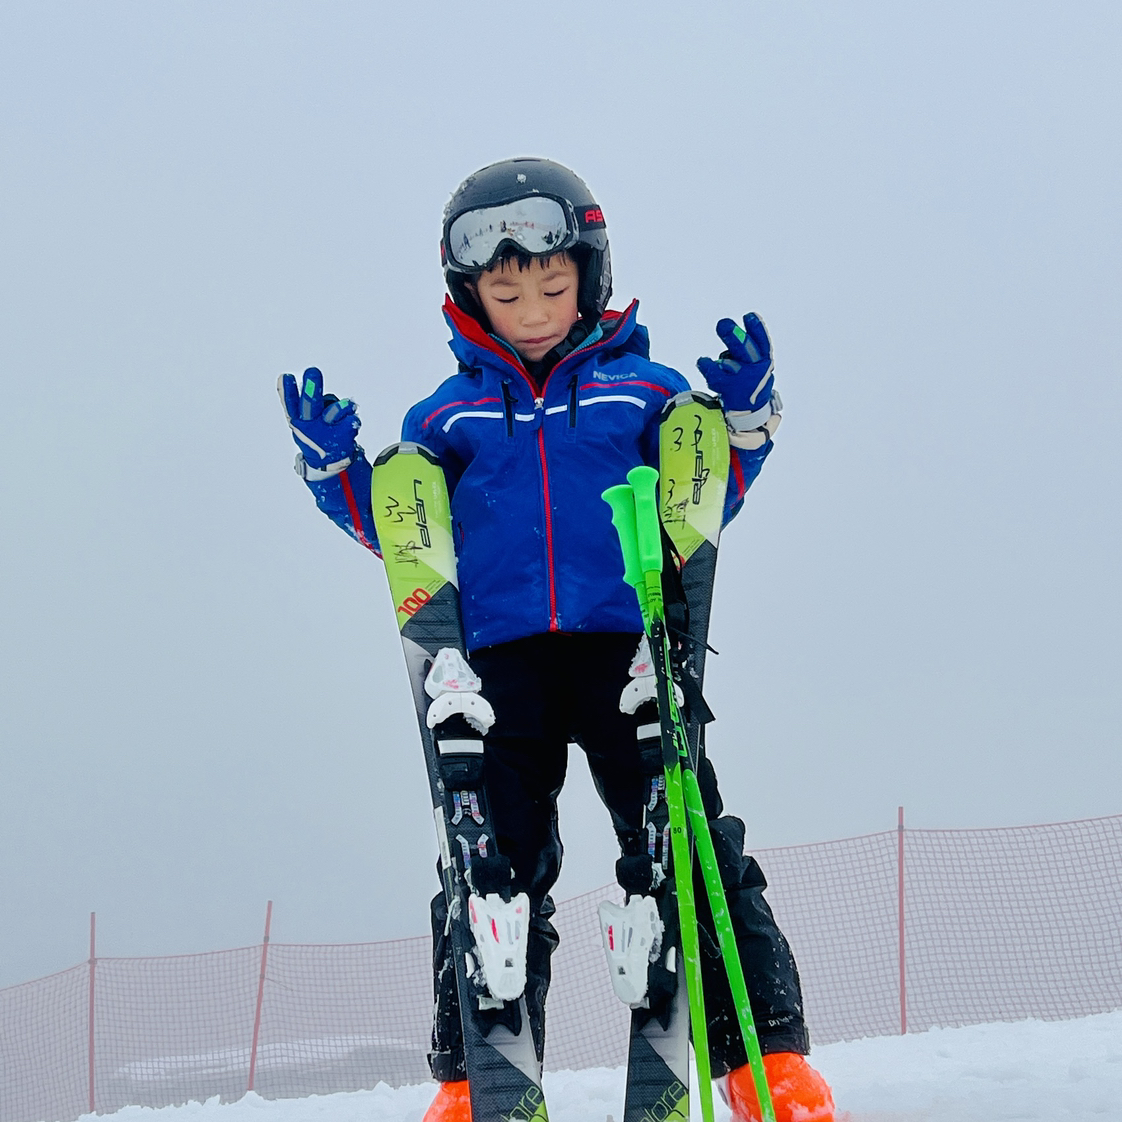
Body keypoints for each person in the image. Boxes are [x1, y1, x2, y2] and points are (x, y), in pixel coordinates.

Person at [279, 158, 835, 1122]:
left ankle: (766, 1067)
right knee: (487, 872)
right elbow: (405, 536)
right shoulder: (443, 418)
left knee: (692, 850)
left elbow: (704, 499)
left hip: (632, 654)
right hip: (492, 670)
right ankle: (474, 1084)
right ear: (470, 296)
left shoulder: (641, 395)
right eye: (504, 290)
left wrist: (744, 424)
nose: (530, 306)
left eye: (549, 283)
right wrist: (336, 474)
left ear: (588, 274)